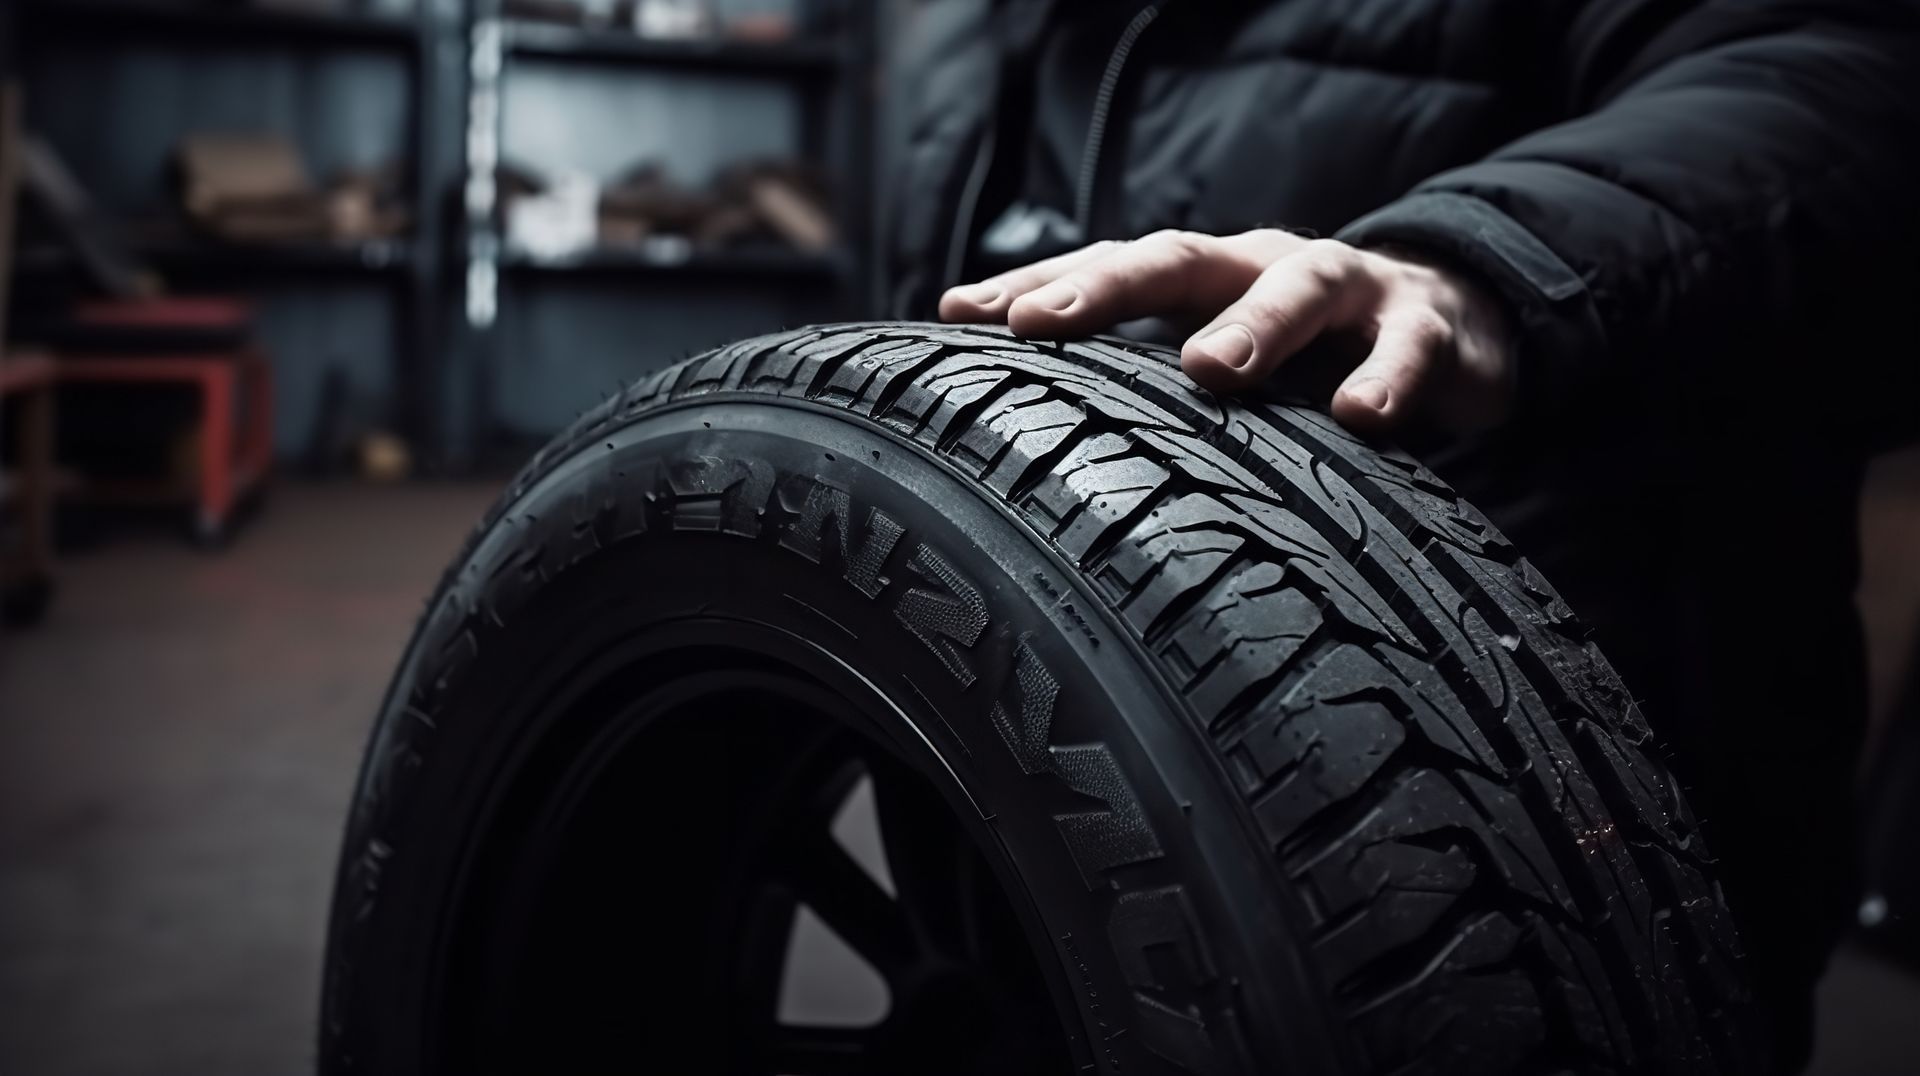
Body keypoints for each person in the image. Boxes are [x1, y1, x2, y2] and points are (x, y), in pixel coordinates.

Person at [880, 0, 1920, 1070]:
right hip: (1032, 889)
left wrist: (1480, 265)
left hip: (1539, 871)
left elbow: (1850, 79)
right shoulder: (972, 32)